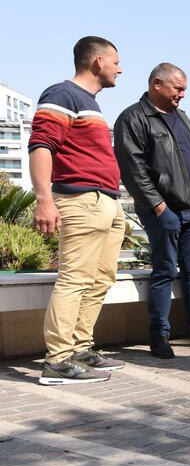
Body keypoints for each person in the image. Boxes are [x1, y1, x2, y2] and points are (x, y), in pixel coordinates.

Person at [116, 63, 190, 359]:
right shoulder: (133, 118)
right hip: (164, 211)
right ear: (157, 83)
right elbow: (133, 170)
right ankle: (159, 335)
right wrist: (159, 207)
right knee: (164, 272)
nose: (182, 95)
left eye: (184, 89)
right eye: (178, 89)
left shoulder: (181, 116)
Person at [29, 36, 126, 384]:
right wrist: (44, 200)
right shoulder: (62, 94)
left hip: (106, 201)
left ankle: (80, 348)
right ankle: (56, 361)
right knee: (75, 280)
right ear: (97, 61)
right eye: (115, 61)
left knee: (100, 279)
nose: (120, 68)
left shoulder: (90, 103)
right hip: (80, 199)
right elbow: (41, 145)